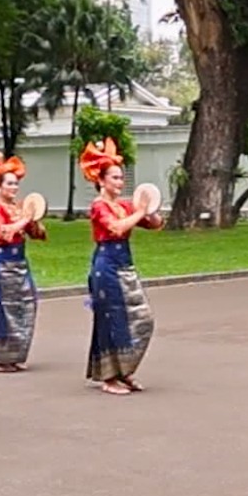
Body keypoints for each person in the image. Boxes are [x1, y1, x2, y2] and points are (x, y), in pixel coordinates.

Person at [82, 138, 162, 395]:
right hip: (106, 267)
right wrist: (139, 212)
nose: (120, 182)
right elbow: (116, 228)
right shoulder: (99, 205)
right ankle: (110, 377)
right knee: (112, 320)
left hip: (125, 266)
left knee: (142, 319)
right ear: (102, 180)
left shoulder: (125, 205)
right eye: (115, 178)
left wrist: (150, 208)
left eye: (121, 177)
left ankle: (125, 371)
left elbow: (155, 224)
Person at [0, 150, 46, 372]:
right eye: (9, 184)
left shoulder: (18, 207)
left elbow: (39, 234)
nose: (14, 188)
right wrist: (25, 219)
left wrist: (35, 220)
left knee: (25, 306)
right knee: (0, 311)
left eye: (16, 184)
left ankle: (15, 355)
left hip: (19, 263)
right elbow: (4, 232)